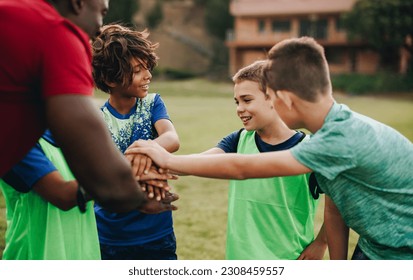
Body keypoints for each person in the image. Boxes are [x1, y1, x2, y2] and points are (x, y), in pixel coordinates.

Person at [126, 37, 413, 260]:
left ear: (284, 99)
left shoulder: (336, 140)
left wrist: (163, 156)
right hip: (376, 247)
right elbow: (336, 210)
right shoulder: (338, 125)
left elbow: (240, 168)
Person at [0, 0, 174, 213]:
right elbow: (104, 181)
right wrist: (139, 195)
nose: (99, 28)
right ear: (78, 3)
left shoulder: (15, 15)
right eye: (101, 12)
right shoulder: (55, 32)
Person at [199, 60, 326, 260]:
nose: (239, 108)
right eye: (237, 102)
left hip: (291, 259)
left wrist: (321, 242)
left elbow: (342, 204)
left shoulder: (311, 149)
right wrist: (159, 160)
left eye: (247, 100)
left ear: (273, 98)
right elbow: (199, 162)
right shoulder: (238, 140)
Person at [91, 24, 180, 260]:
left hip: (156, 230)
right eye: (138, 69)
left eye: (147, 67)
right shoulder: (98, 120)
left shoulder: (152, 103)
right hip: (110, 233)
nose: (148, 75)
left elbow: (171, 138)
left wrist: (142, 150)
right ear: (111, 78)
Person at [0, 130, 100, 259]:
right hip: (35, 255)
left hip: (82, 251)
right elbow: (62, 195)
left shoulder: (67, 133)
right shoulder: (14, 141)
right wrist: (118, 178)